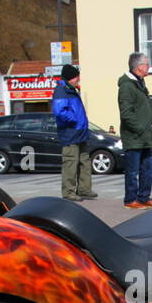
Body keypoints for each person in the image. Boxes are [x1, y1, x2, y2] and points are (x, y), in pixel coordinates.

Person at [117, 52, 152, 208]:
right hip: (134, 137)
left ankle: (144, 197)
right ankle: (130, 200)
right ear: (139, 67)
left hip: (145, 136)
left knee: (147, 168)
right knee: (132, 171)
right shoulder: (127, 86)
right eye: (146, 64)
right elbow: (126, 113)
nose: (149, 67)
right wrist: (140, 129)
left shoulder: (140, 83)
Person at [53, 64, 96, 201]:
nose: (78, 79)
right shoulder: (61, 90)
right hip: (70, 133)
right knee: (71, 163)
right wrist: (75, 120)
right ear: (70, 77)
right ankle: (69, 192)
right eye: (77, 76)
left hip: (80, 132)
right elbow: (59, 112)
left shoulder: (71, 90)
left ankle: (84, 189)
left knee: (84, 161)